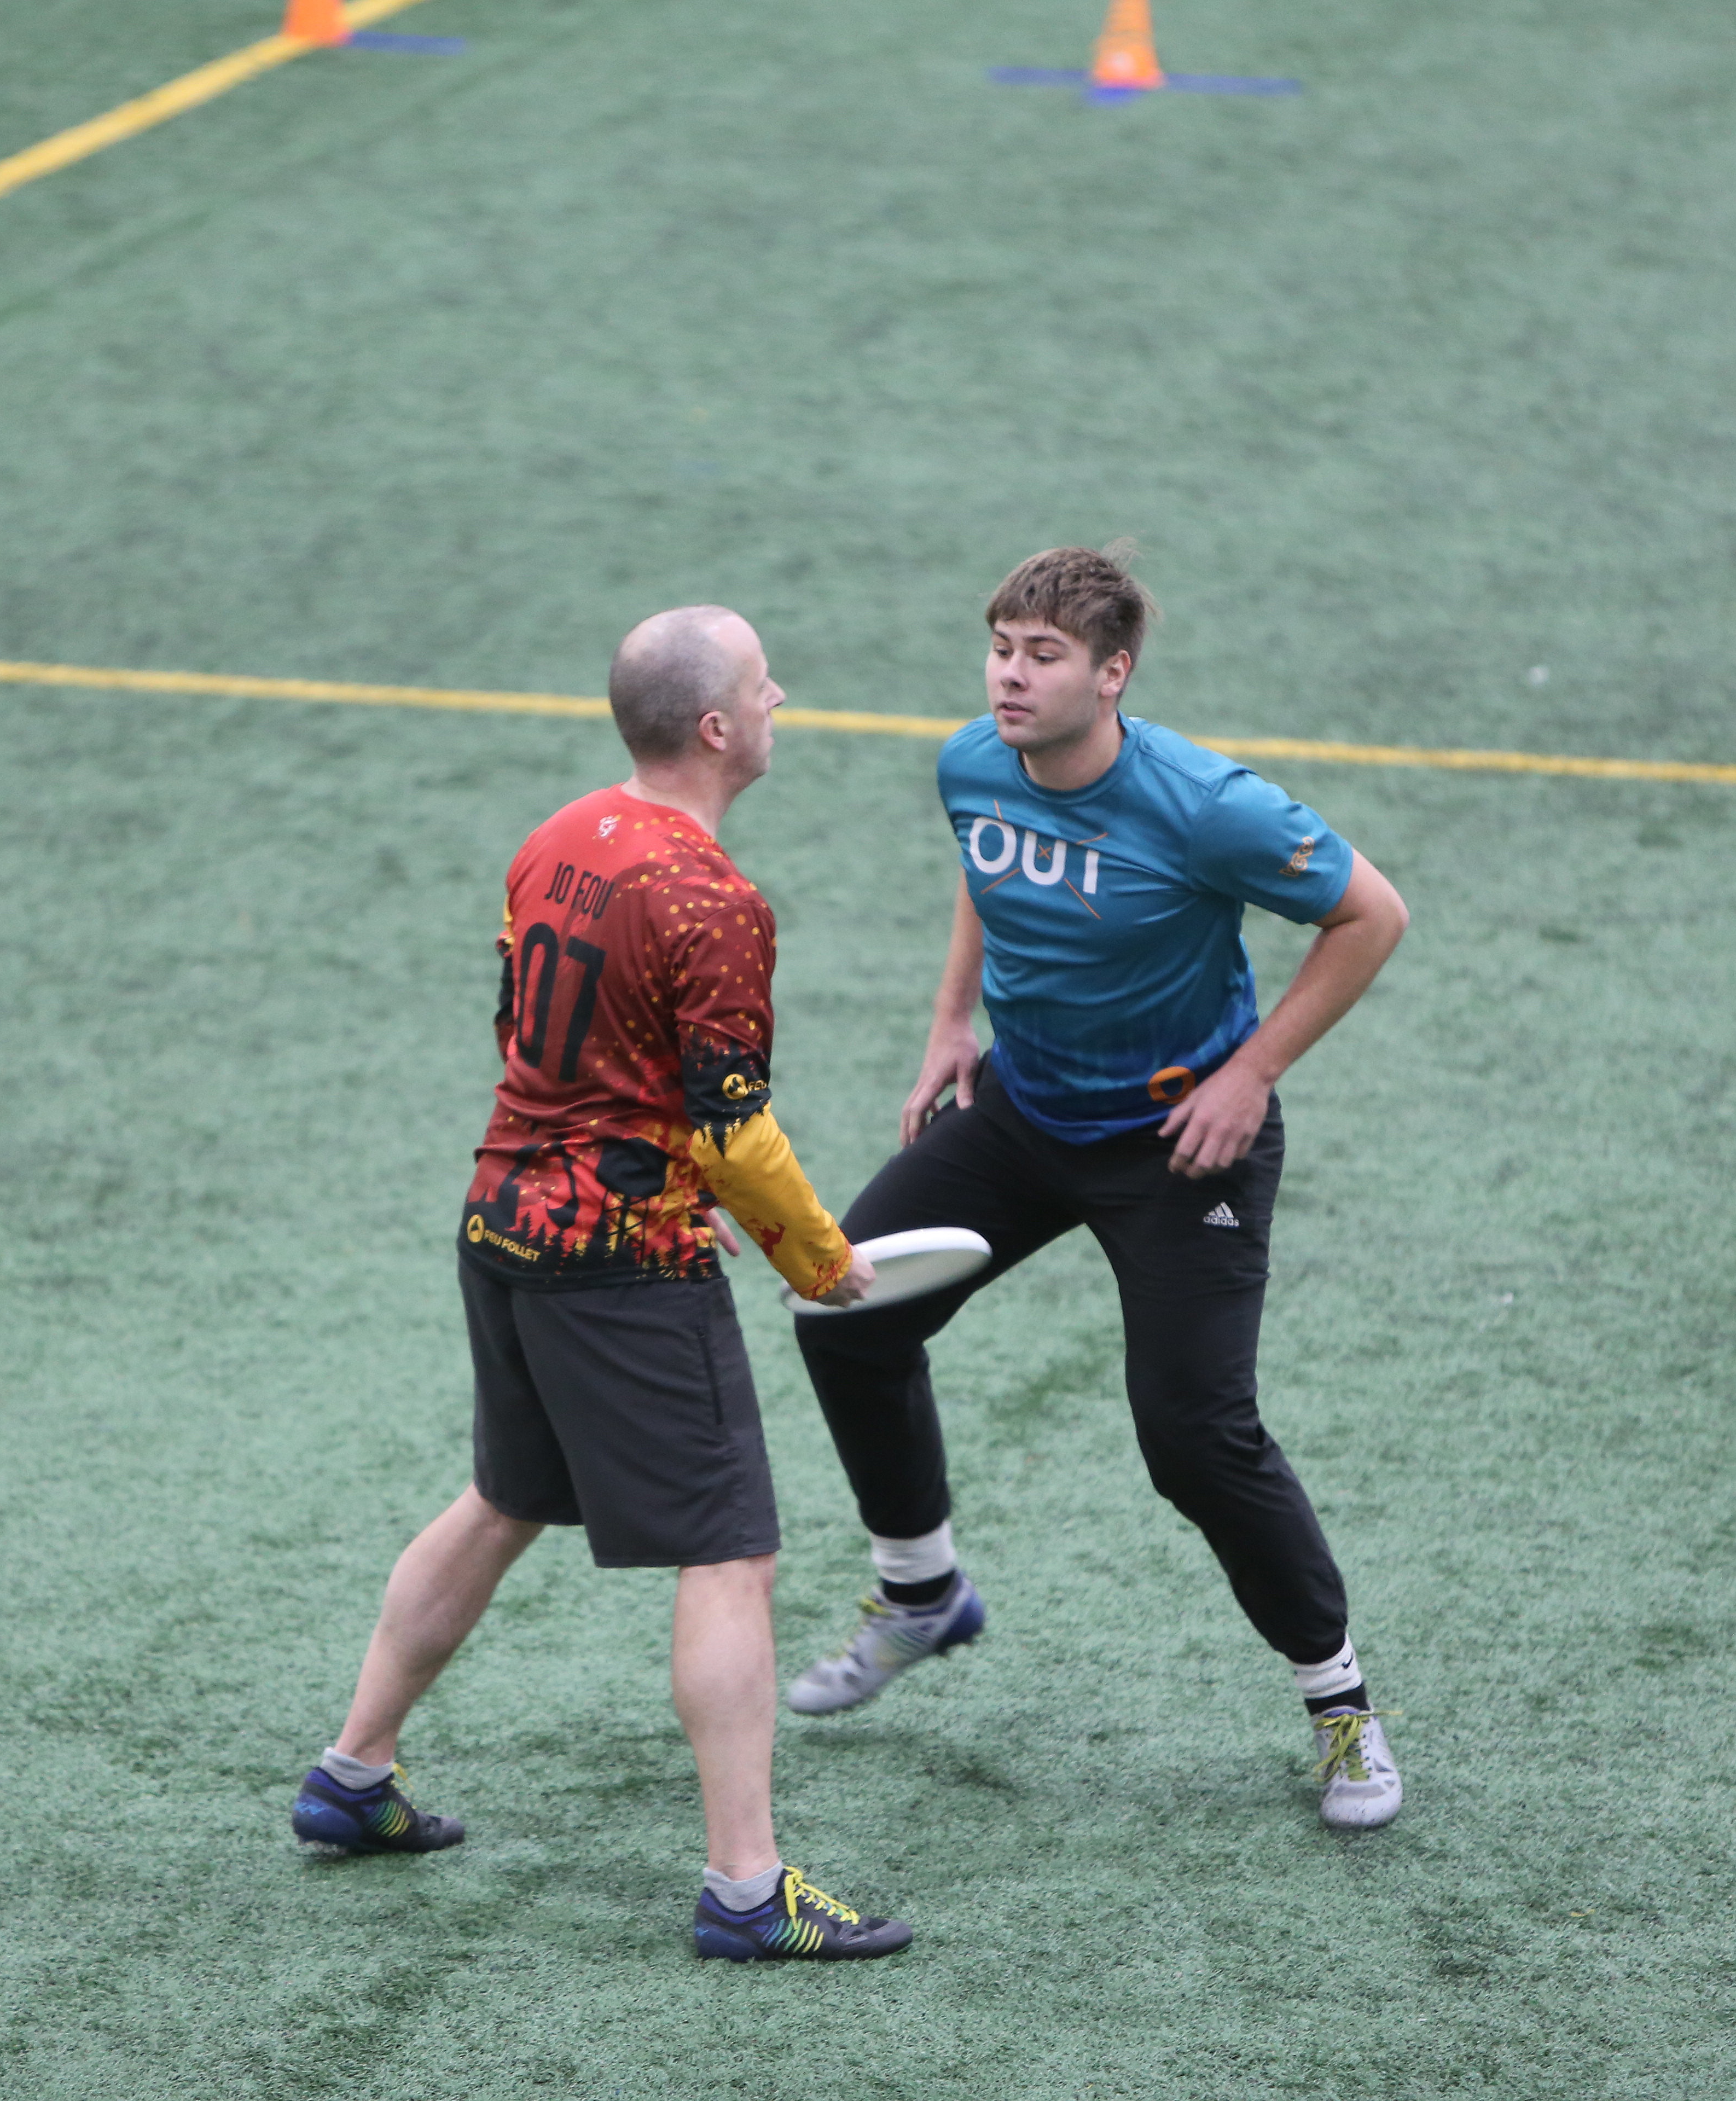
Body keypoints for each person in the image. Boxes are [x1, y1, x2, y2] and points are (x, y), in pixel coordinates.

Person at [291, 605, 911, 1959]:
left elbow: (528, 1032)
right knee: (731, 1554)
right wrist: (819, 1257)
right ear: (717, 727)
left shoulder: (555, 838)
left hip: (502, 1219)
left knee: (504, 1499)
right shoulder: (714, 902)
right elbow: (732, 1131)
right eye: (765, 687)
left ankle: (352, 1773)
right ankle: (746, 1889)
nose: (780, 701)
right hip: (621, 1265)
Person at [784, 547, 1414, 1829]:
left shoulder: (1206, 806)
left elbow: (1373, 916)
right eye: (1001, 649)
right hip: (1024, 1113)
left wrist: (1250, 1074)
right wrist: (950, 1022)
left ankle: (1341, 1706)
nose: (1009, 678)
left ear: (1112, 675)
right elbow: (989, 868)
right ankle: (922, 1593)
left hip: (1181, 1144)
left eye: (1044, 656)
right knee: (844, 1304)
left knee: (1196, 1439)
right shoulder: (974, 763)